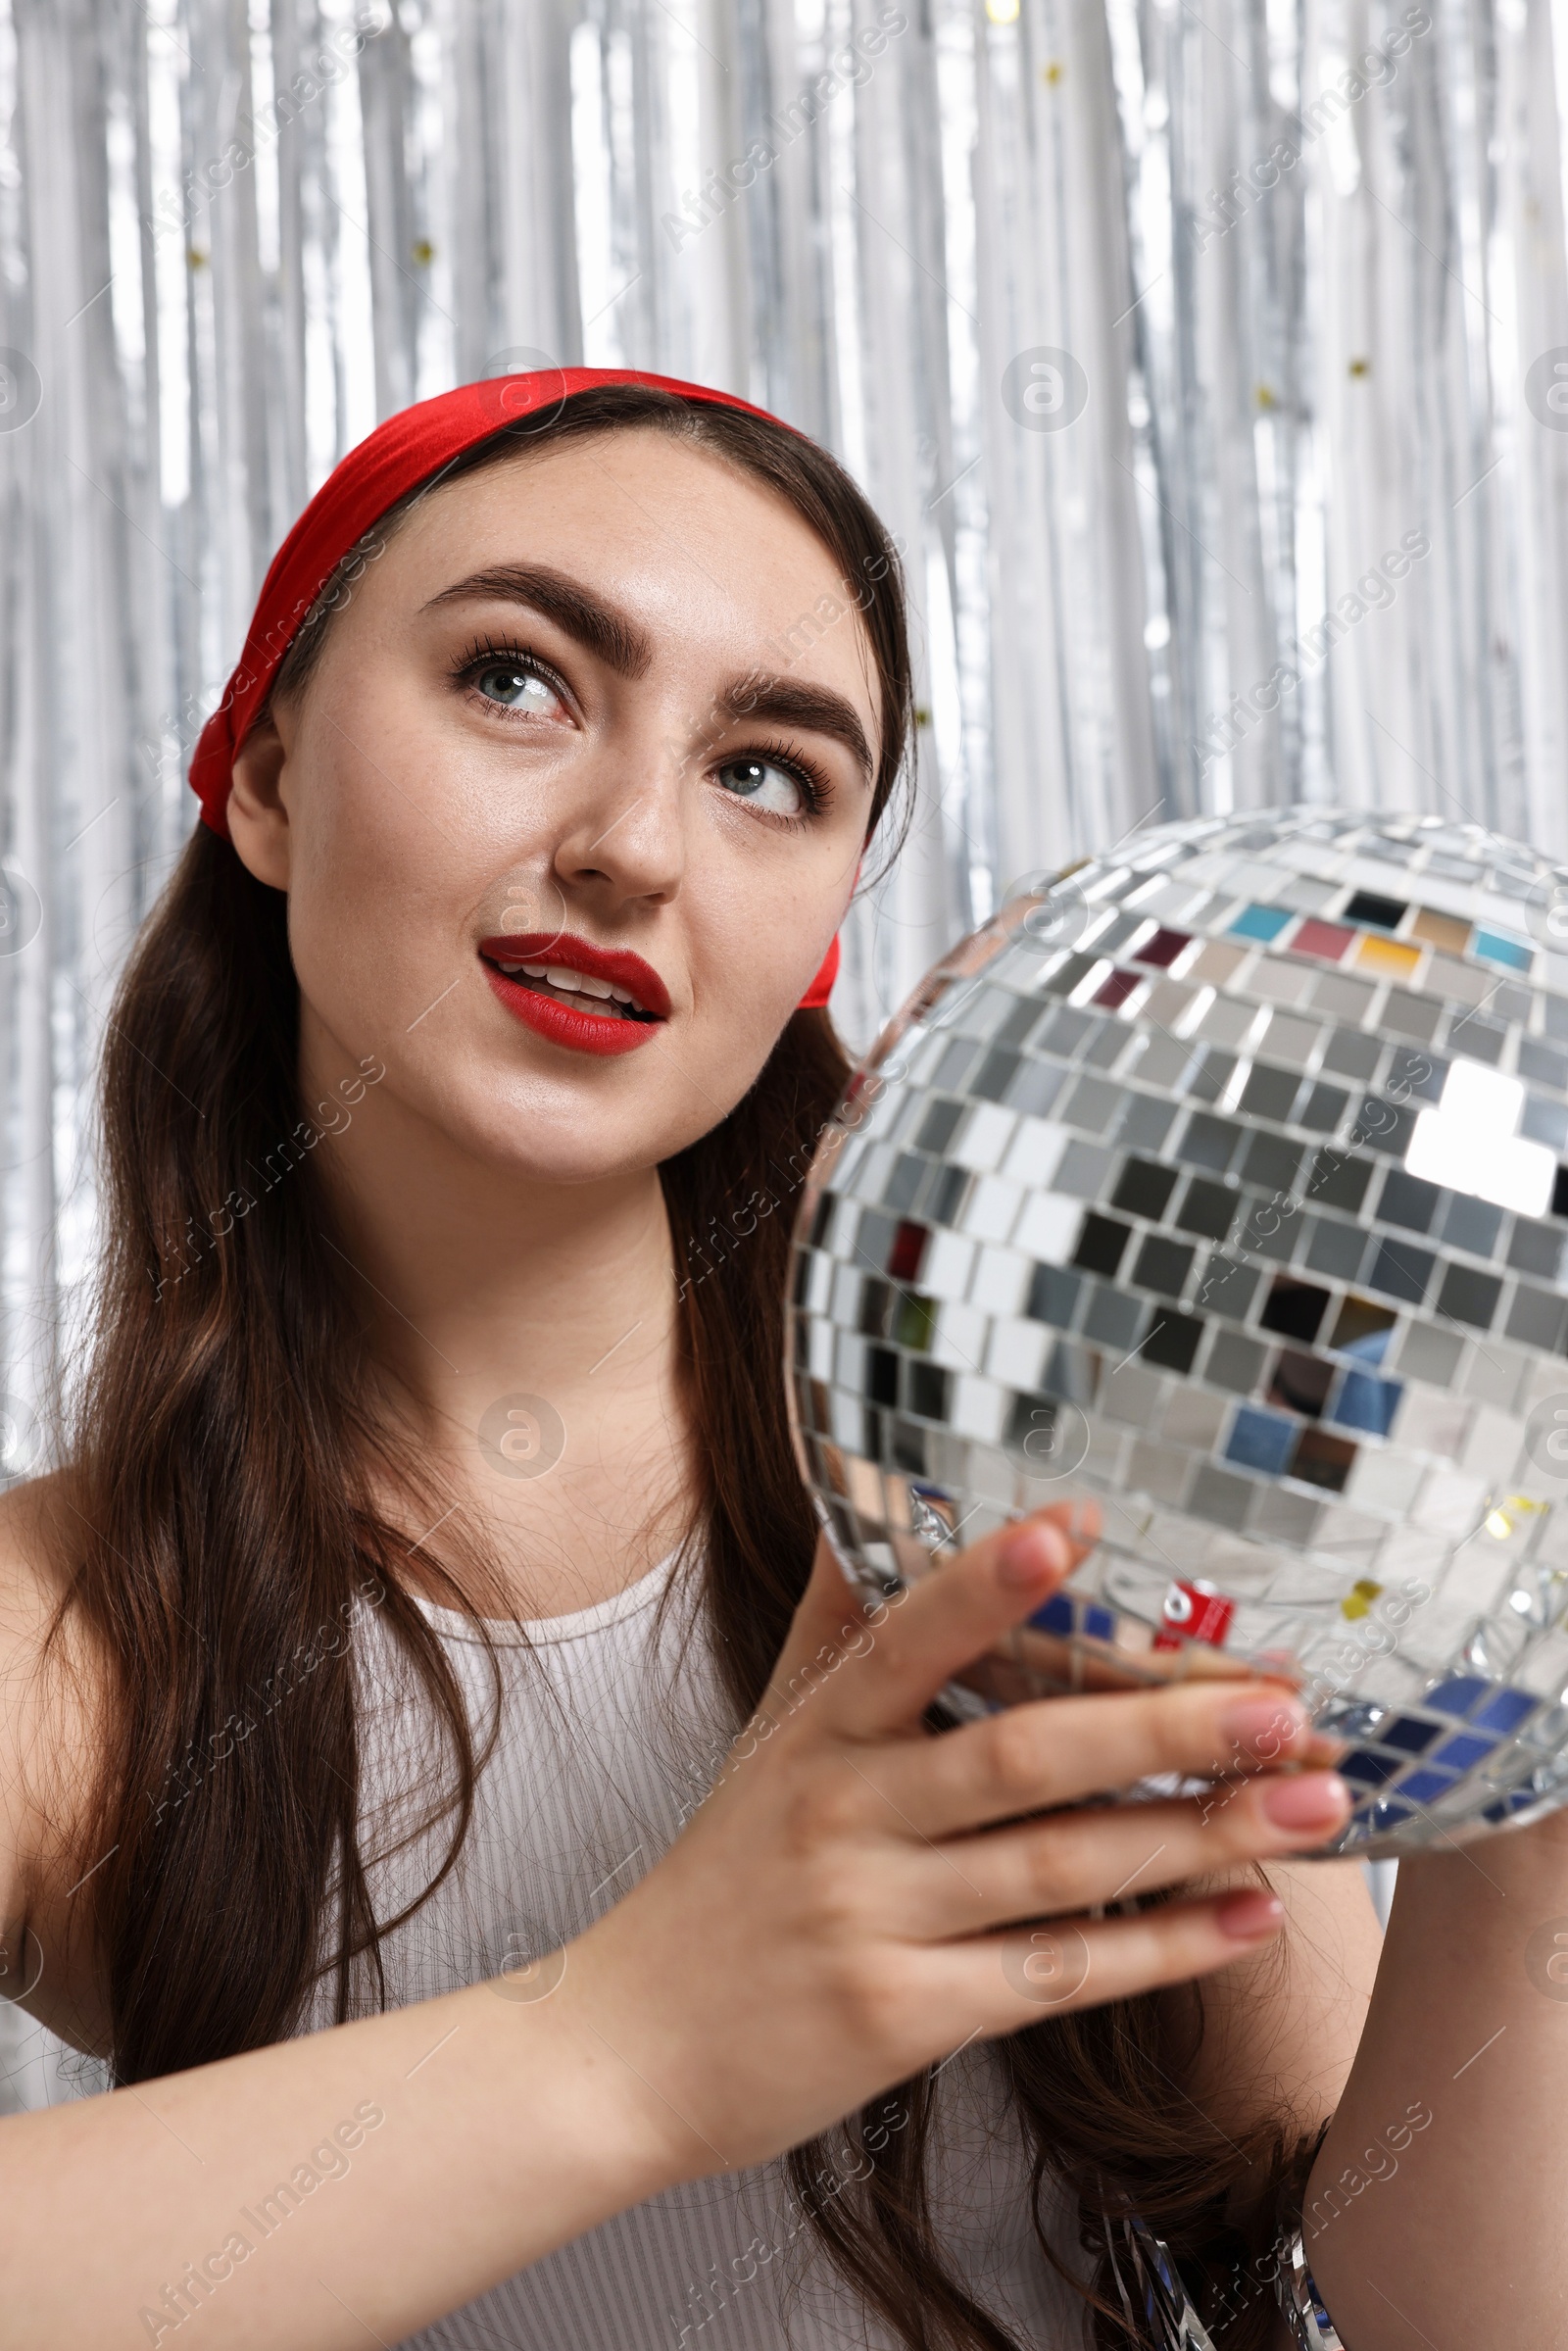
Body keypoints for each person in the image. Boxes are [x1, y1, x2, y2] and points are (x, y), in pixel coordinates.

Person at [0, 368, 1546, 2351]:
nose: (633, 845)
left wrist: (1531, 1775)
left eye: (766, 773)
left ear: (817, 927)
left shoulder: (1049, 1492)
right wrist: (629, 2045)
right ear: (272, 774)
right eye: (516, 679)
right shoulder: (72, 1643)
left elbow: (1431, 2307)